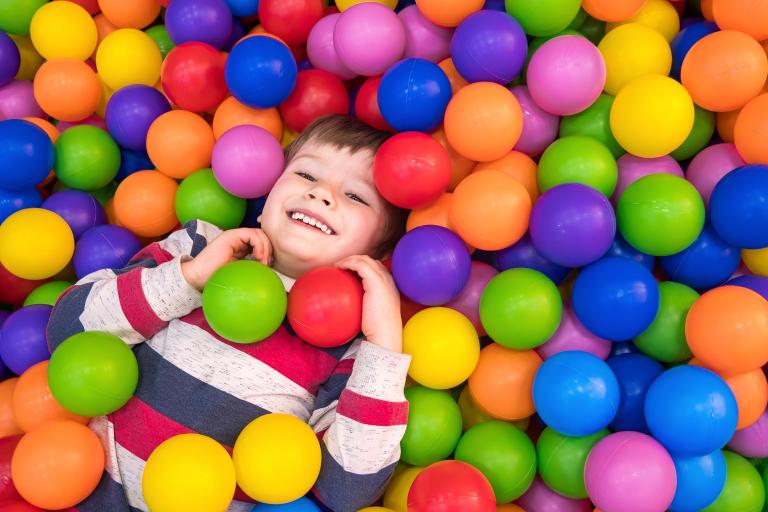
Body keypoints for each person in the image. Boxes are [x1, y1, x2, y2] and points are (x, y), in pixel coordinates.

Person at [47, 115, 412, 512]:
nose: (322, 194)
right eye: (306, 174)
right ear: (266, 197)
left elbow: (345, 489)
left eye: (356, 196)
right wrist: (190, 278)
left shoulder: (353, 347)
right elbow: (69, 328)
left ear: (378, 254)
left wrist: (384, 349)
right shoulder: (200, 246)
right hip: (86, 494)